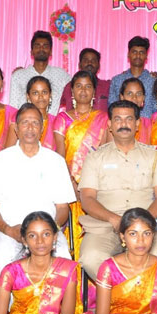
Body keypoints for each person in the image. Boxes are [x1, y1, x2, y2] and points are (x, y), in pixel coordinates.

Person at [0, 103, 76, 293]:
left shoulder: (56, 161)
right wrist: (8, 230)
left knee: (63, 260)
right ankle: (14, 309)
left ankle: (49, 308)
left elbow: (63, 208)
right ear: (16, 129)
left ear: (42, 128)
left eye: (35, 123)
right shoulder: (1, 160)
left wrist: (48, 231)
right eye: (25, 122)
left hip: (47, 231)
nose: (30, 127)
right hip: (10, 231)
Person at [78, 100, 157, 278]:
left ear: (137, 124)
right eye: (118, 119)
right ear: (110, 125)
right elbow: (87, 199)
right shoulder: (95, 157)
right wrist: (113, 219)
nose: (123, 124)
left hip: (146, 224)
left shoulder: (154, 156)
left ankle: (137, 292)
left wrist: (142, 221)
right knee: (91, 257)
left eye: (129, 119)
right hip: (106, 225)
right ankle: (120, 291)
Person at [53, 70, 109, 257]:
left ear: (94, 92)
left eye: (88, 86)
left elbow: (105, 155)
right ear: (72, 92)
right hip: (68, 184)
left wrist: (90, 186)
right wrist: (71, 183)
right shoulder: (63, 119)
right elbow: (60, 157)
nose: (83, 91)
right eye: (79, 86)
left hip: (97, 186)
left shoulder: (103, 118)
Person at [9, 30, 71, 114]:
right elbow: (13, 108)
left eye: (45, 46)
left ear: (51, 51)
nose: (41, 49)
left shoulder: (61, 75)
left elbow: (74, 95)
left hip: (52, 122)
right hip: (25, 121)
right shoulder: (18, 76)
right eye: (37, 46)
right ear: (31, 51)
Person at [108, 36, 157, 118]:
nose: (138, 55)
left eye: (141, 52)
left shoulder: (154, 82)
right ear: (128, 54)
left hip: (148, 125)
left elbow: (156, 109)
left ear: (146, 56)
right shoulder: (117, 81)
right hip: (123, 124)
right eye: (134, 52)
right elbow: (112, 108)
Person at [59, 48, 110, 112]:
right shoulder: (69, 86)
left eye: (93, 61)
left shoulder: (107, 86)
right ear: (79, 64)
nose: (89, 63)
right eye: (86, 60)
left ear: (99, 65)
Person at [25, 75, 58, 151]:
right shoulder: (21, 121)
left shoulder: (57, 122)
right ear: (28, 96)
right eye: (35, 93)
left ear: (50, 94)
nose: (40, 96)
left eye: (44, 92)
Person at [116, 77, 151, 144]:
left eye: (138, 94)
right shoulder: (115, 123)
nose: (134, 97)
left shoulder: (148, 124)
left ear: (143, 98)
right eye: (129, 93)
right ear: (122, 97)